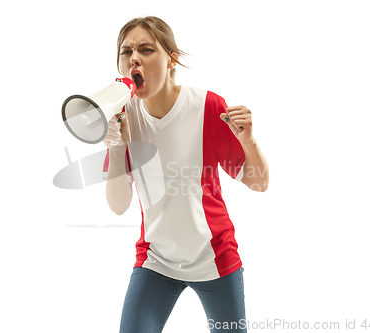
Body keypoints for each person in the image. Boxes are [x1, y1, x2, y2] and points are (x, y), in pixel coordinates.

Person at [102, 16, 269, 333]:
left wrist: (248, 142)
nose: (134, 58)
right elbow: (118, 205)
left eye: (147, 49)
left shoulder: (207, 106)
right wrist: (115, 146)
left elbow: (259, 183)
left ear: (171, 59)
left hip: (215, 259)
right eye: (126, 52)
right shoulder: (122, 116)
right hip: (156, 261)